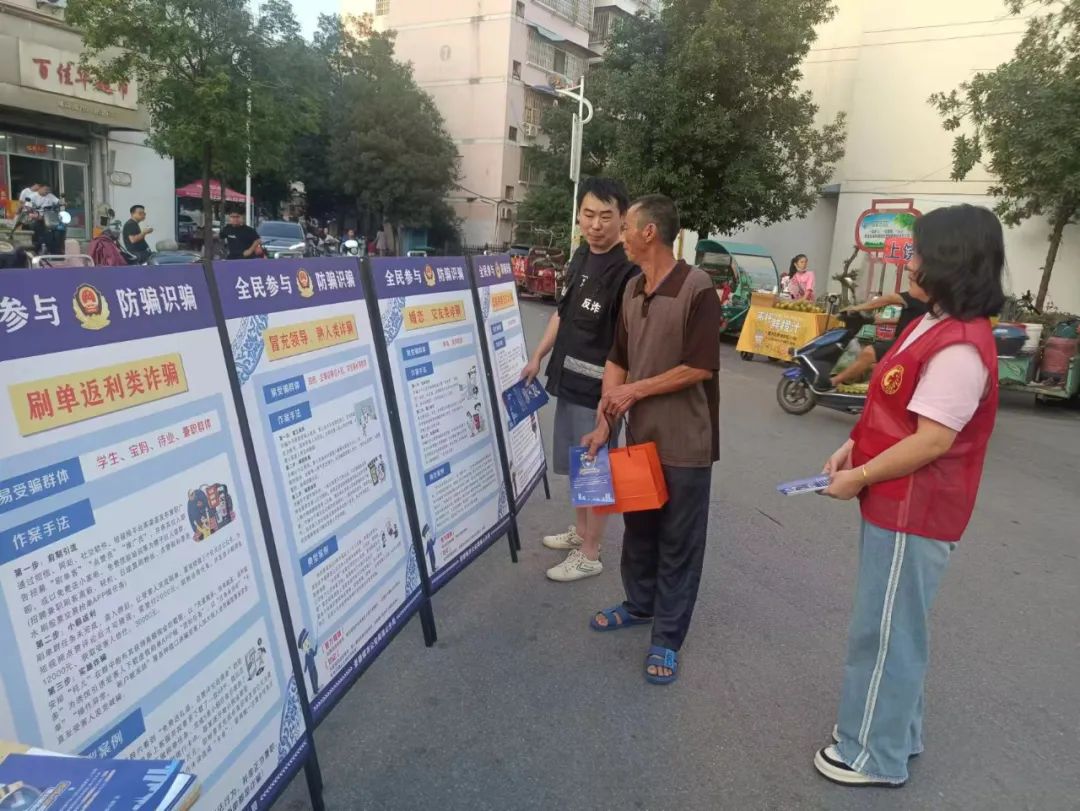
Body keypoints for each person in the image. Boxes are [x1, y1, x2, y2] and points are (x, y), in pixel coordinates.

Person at [814, 205, 1005, 787]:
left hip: (913, 508)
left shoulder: (960, 347)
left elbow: (932, 441)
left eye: (919, 252)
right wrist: (852, 447)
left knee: (885, 632)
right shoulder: (935, 322)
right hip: (897, 501)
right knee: (897, 627)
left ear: (949, 260)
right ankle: (899, 733)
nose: (910, 262)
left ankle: (872, 754)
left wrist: (860, 477)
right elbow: (892, 405)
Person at [583, 194, 722, 685]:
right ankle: (639, 604)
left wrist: (636, 390)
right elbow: (617, 360)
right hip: (639, 438)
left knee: (679, 541)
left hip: (685, 442)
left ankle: (667, 637)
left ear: (649, 233)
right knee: (639, 531)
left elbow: (700, 366)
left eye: (625, 226)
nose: (618, 234)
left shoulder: (697, 287)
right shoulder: (632, 288)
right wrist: (605, 421)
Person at [520, 177, 639, 582]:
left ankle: (591, 552)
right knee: (577, 465)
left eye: (606, 216)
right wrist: (538, 355)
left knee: (595, 470)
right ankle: (581, 531)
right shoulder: (581, 256)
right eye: (588, 215)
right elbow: (562, 313)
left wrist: (612, 403)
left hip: (599, 392)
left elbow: (627, 344)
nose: (595, 224)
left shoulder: (628, 273)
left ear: (622, 218)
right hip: (568, 382)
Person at [830, 289, 929, 387]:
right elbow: (908, 320)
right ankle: (852, 380)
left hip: (909, 342)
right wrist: (872, 320)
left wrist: (857, 308)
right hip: (907, 341)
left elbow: (890, 298)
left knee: (869, 352)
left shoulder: (919, 294)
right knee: (871, 364)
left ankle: (833, 382)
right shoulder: (924, 302)